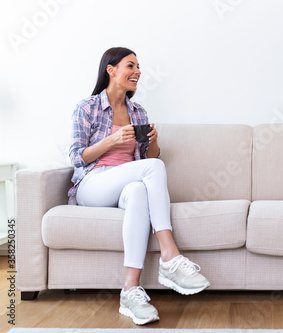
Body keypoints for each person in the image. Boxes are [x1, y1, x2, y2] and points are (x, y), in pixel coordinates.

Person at [68, 47, 210, 326]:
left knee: (139, 190)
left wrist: (153, 140)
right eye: (130, 66)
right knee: (151, 172)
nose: (138, 72)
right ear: (111, 70)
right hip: (93, 183)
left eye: (138, 67)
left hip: (126, 183)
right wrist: (113, 140)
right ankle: (169, 255)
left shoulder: (138, 111)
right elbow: (76, 156)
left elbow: (149, 159)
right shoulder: (87, 108)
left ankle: (130, 291)